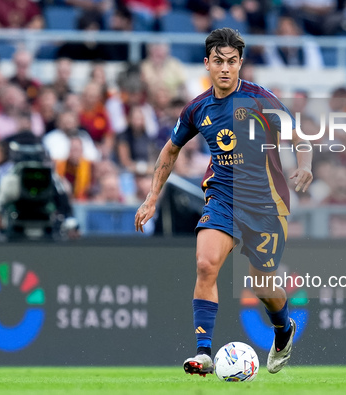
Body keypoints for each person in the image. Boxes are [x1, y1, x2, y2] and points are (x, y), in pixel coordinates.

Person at [134, 28, 313, 376]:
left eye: (232, 62)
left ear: (241, 64)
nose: (226, 68)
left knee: (261, 283)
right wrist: (151, 197)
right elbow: (171, 150)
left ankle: (283, 328)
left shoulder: (262, 99)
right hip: (222, 199)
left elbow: (299, 137)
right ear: (207, 64)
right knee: (205, 264)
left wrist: (305, 166)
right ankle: (203, 352)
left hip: (266, 204)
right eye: (219, 62)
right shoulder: (197, 108)